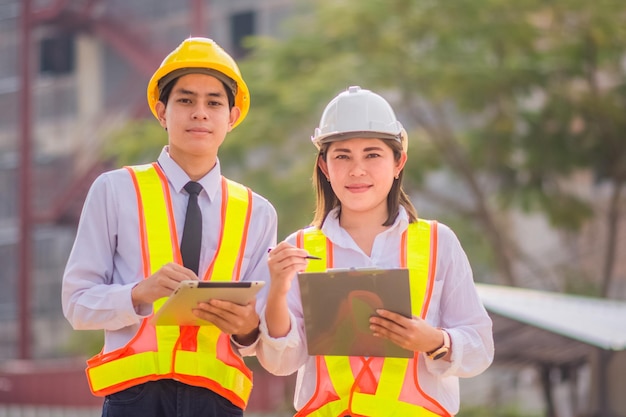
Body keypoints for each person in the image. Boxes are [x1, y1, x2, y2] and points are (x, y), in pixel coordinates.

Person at [61, 37, 277, 417]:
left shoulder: (258, 213)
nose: (200, 113)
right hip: (135, 399)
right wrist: (138, 294)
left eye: (214, 102)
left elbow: (257, 332)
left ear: (232, 116)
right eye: (185, 100)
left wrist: (247, 327)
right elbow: (77, 304)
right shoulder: (115, 190)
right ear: (161, 112)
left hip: (218, 402)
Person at [256, 86, 494, 416]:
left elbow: (480, 348)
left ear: (398, 162)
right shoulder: (298, 250)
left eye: (372, 155)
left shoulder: (439, 243)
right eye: (342, 156)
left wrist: (434, 341)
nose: (357, 170)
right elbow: (280, 361)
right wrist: (277, 292)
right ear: (325, 167)